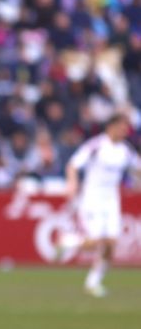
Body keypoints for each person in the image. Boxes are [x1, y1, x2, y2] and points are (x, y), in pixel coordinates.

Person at [58, 113, 141, 297]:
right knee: (96, 241)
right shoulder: (96, 145)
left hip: (111, 199)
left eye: (126, 129)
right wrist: (72, 182)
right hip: (92, 197)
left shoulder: (125, 150)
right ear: (111, 127)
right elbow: (73, 165)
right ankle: (68, 241)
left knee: (111, 244)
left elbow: (138, 169)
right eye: (122, 128)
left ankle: (93, 282)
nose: (125, 132)